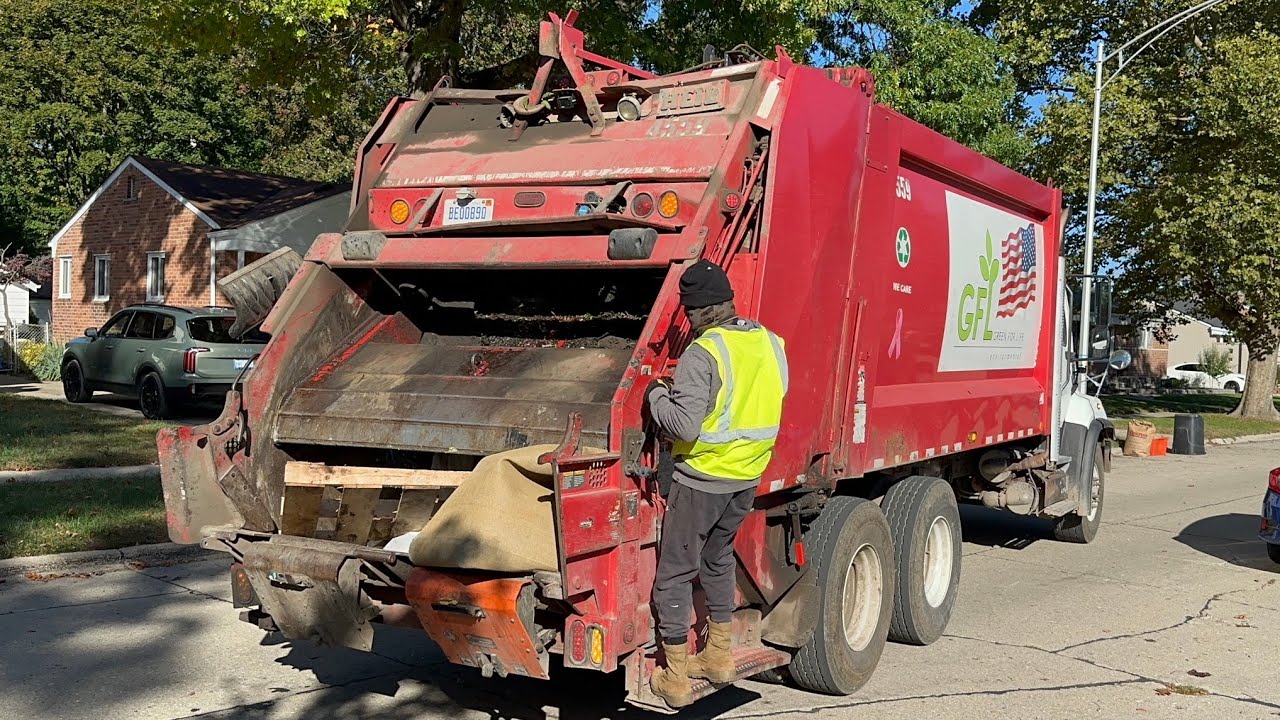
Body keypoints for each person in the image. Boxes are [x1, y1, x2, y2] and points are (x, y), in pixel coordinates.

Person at [645, 259, 789, 707]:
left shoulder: (703, 352)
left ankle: (676, 676)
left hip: (703, 478)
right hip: (746, 476)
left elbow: (685, 426)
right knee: (718, 558)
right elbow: (774, 396)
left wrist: (655, 396)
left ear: (694, 310)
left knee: (674, 573)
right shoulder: (770, 342)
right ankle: (719, 657)